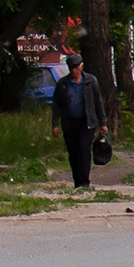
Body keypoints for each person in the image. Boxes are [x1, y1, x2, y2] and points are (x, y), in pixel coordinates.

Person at [51, 53, 108, 189]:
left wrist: (103, 123)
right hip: (69, 123)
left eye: (76, 67)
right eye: (71, 68)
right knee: (73, 153)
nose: (74, 71)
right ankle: (77, 181)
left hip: (86, 123)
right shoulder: (63, 84)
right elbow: (56, 105)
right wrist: (55, 124)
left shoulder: (90, 81)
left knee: (84, 150)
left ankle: (84, 182)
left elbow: (97, 103)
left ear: (81, 66)